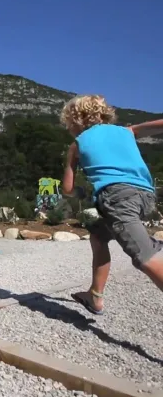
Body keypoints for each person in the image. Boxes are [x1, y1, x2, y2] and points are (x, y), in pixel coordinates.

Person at [61, 94, 163, 315]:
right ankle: (95, 295)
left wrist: (80, 192)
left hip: (117, 198)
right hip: (145, 196)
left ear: (74, 121)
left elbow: (67, 190)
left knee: (144, 256)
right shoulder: (128, 131)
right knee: (98, 235)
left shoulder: (77, 145)